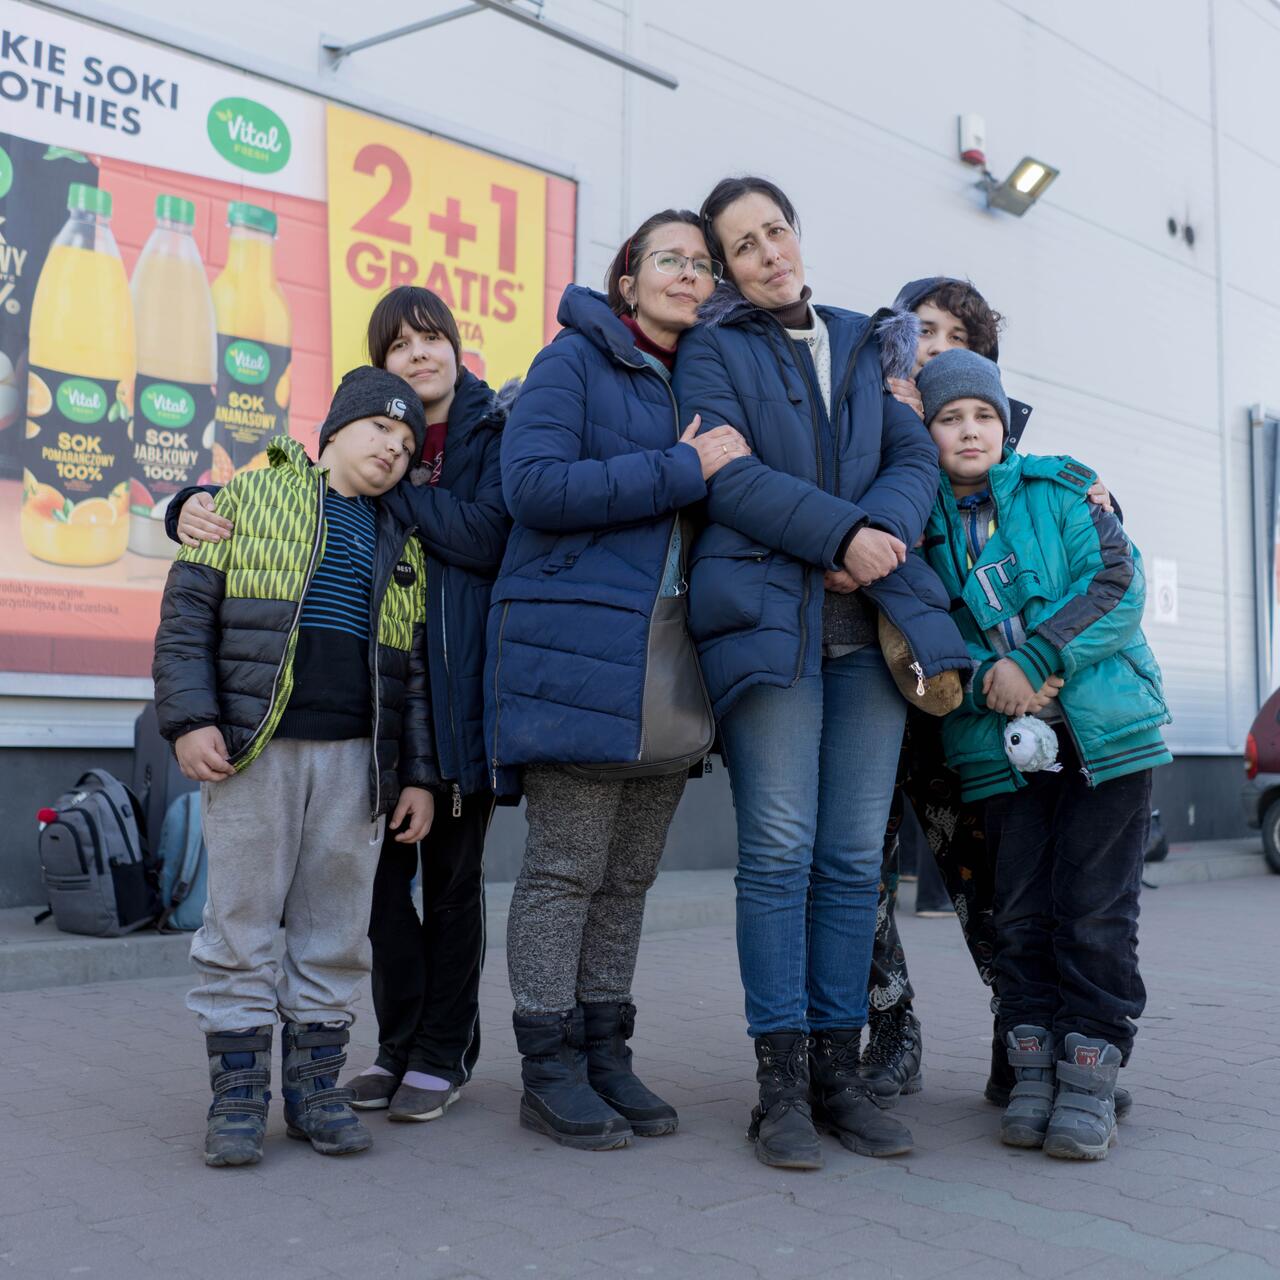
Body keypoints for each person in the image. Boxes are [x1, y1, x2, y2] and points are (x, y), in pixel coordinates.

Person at [673, 176, 971, 1170]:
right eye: (743, 245)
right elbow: (728, 475)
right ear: (725, 267)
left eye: (774, 232)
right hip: (770, 626)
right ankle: (779, 1087)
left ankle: (839, 1074)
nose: (767, 253)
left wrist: (880, 533)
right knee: (778, 851)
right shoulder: (713, 348)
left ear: (796, 234)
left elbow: (911, 455)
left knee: (850, 859)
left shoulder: (862, 337)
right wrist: (838, 531)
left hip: (869, 635)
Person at [170, 287, 513, 1124]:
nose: (420, 354)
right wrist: (184, 504)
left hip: (410, 734)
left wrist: (421, 774)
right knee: (299, 912)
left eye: (434, 337)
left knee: (394, 908)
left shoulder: (480, 450)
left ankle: (382, 1070)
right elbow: (192, 610)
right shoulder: (264, 497)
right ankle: (281, 1086)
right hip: (293, 744)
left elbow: (469, 573)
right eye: (399, 346)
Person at [488, 210, 749, 1151]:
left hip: (673, 662)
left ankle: (606, 1051)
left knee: (630, 877)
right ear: (627, 277)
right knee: (565, 870)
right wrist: (681, 466)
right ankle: (547, 1068)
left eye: (701, 264)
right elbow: (535, 486)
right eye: (668, 260)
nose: (688, 275)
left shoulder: (711, 374)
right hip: (580, 653)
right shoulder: (577, 358)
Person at [152, 367, 437, 1167]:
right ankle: (238, 1100)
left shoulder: (399, 543)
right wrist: (190, 720)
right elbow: (186, 620)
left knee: (336, 933)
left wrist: (415, 774)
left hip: (357, 766)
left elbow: (411, 676)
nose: (393, 448)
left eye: (408, 443)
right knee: (240, 926)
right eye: (381, 428)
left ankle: (315, 1093)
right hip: (255, 752)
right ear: (336, 430)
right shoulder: (244, 498)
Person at [858, 277, 1127, 1116]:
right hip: (877, 682)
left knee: (990, 879)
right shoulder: (867, 431)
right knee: (864, 866)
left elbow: (1094, 561)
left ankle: (1026, 1035)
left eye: (949, 334)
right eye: (918, 333)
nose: (931, 347)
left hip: (977, 711)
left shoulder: (1015, 460)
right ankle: (890, 1030)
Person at [916, 348, 1171, 1160]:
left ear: (1005, 423)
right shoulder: (916, 527)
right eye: (949, 418)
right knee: (1020, 913)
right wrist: (991, 679)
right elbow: (925, 630)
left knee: (1096, 911)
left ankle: (1090, 1076)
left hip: (1104, 738)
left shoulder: (1062, 491)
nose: (968, 430)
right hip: (1001, 749)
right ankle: (1031, 1074)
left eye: (983, 415)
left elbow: (1115, 588)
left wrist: (1035, 663)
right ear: (926, 433)